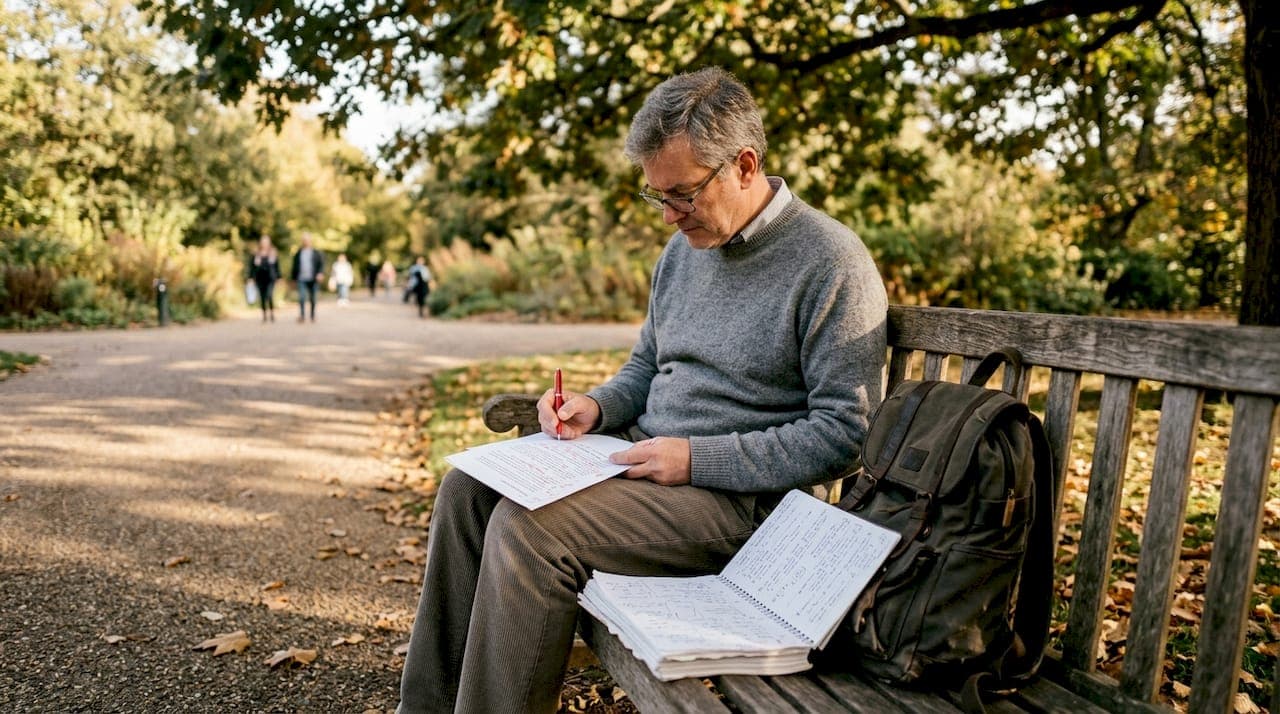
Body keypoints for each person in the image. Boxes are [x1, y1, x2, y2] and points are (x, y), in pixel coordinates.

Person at [396, 67, 888, 714]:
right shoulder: (685, 252)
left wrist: (695, 458)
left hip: (744, 505)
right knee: (468, 491)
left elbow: (846, 435)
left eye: (683, 194)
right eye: (658, 198)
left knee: (528, 532)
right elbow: (646, 368)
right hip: (644, 465)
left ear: (745, 164)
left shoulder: (830, 262)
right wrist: (594, 406)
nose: (671, 217)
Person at [290, 233, 325, 322]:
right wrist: (293, 279)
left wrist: (320, 273)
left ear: (310, 241)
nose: (306, 242)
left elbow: (321, 264)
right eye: (304, 240)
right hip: (301, 278)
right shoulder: (298, 253)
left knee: (313, 298)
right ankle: (302, 315)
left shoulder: (316, 252)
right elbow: (294, 266)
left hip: (313, 279)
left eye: (307, 240)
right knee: (302, 297)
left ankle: (312, 315)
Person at [246, 235, 280, 323]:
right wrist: (250, 277)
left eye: (266, 242)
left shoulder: (272, 253)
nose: (264, 244)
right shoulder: (256, 254)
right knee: (262, 297)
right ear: (261, 243)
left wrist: (279, 277)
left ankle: (272, 313)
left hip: (270, 278)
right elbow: (252, 267)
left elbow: (276, 266)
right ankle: (264, 315)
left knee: (269, 295)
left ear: (269, 243)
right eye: (263, 242)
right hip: (259, 278)